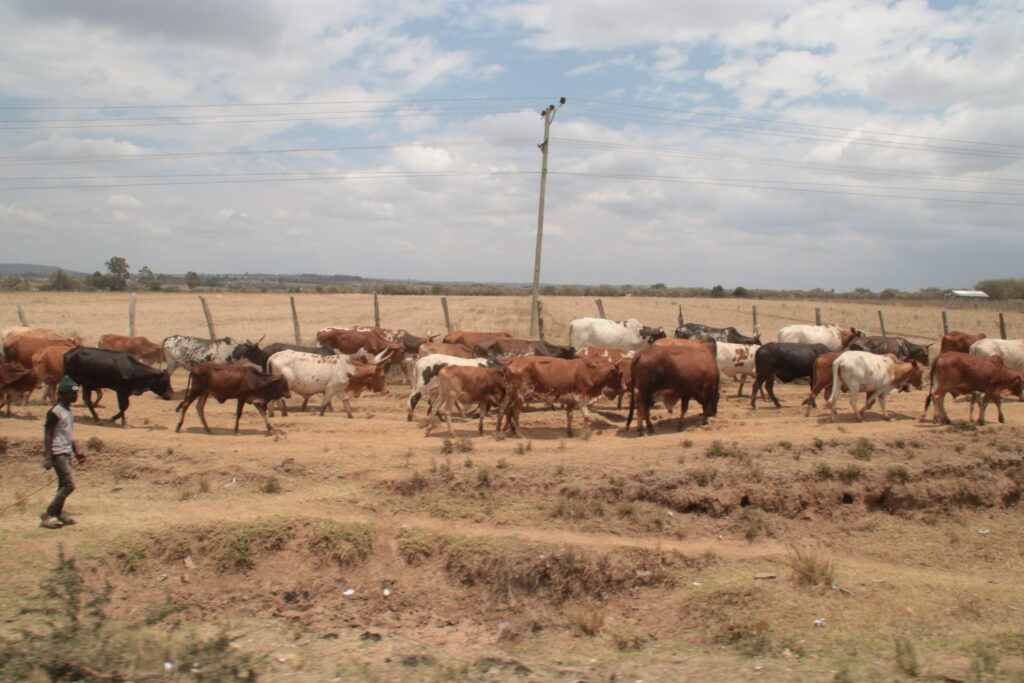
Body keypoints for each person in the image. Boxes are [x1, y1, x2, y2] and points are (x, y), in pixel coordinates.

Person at [40, 375, 87, 529]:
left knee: (62, 485)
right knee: (69, 485)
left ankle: (57, 515)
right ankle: (49, 514)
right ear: (62, 394)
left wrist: (77, 451)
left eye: (76, 392)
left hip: (66, 452)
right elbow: (48, 434)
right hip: (57, 453)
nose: (76, 396)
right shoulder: (55, 412)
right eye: (72, 393)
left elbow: (68, 434)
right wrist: (48, 457)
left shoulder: (68, 412)